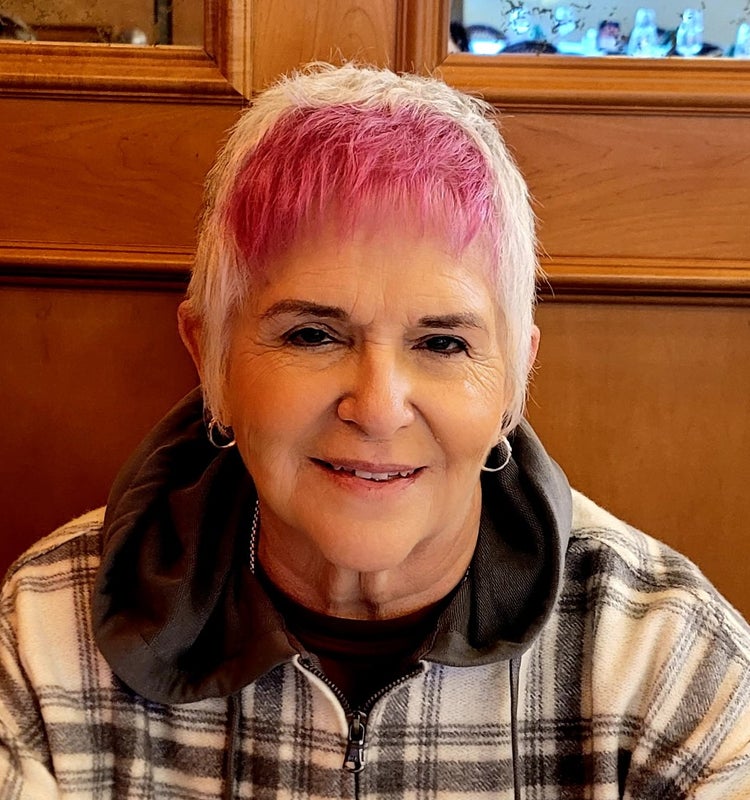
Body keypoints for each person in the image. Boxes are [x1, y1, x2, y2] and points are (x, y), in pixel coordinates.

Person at [0, 63, 748, 800]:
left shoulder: (667, 660)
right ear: (211, 357)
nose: (379, 408)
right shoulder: (45, 632)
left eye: (443, 343)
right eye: (312, 335)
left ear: (513, 380)